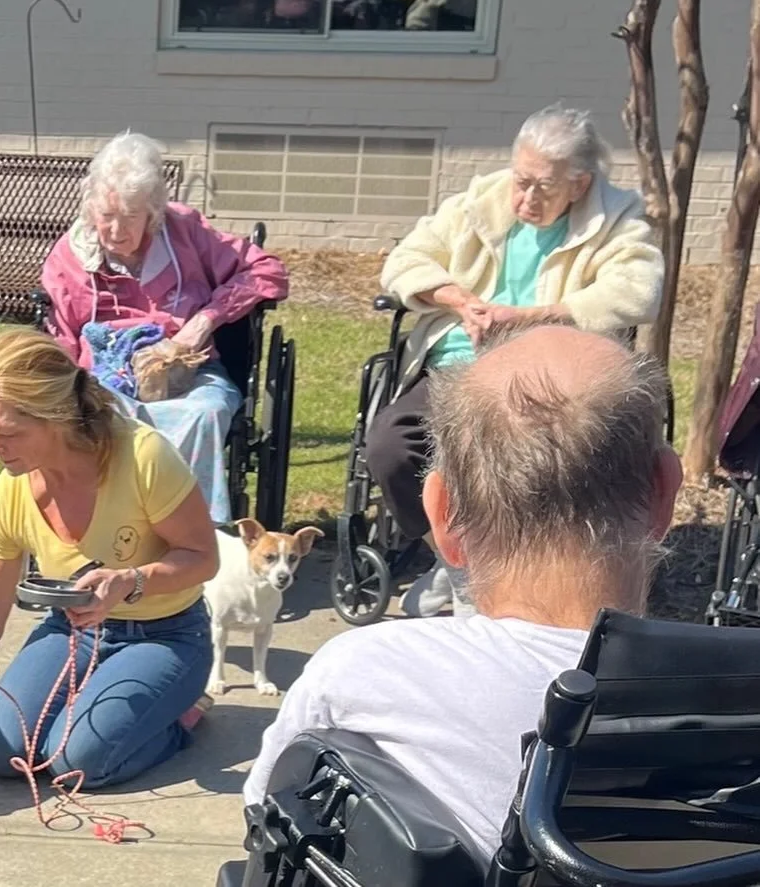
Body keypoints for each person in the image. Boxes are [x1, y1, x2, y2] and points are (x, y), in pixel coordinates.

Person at [245, 324, 682, 862]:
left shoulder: (364, 671)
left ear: (443, 516)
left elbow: (264, 819)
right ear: (665, 494)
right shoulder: (737, 695)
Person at [365, 103, 663, 616]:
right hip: (459, 362)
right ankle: (459, 561)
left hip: (552, 373)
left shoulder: (616, 218)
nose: (524, 197)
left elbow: (638, 290)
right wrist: (459, 299)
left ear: (579, 183)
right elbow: (404, 261)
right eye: (520, 179)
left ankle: (509, 573)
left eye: (542, 187)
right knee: (392, 446)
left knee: (542, 465)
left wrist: (537, 316)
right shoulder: (479, 202)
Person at [0, 329, 219, 787]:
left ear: (57, 418)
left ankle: (179, 718)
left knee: (74, 764)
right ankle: (105, 708)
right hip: (71, 629)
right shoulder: (12, 491)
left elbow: (203, 558)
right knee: (1, 753)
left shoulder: (143, 456)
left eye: (7, 433)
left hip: (165, 634)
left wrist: (130, 581)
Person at [41, 132, 288, 524]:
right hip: (106, 378)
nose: (117, 230)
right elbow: (63, 337)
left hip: (189, 370)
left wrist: (205, 320)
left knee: (207, 412)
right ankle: (119, 524)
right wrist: (64, 388)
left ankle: (196, 533)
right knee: (98, 414)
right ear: (91, 210)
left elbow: (266, 271)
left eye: (131, 216)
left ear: (154, 213)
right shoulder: (69, 257)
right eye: (107, 216)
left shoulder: (185, 232)